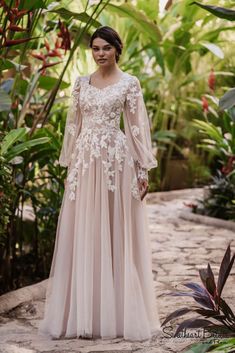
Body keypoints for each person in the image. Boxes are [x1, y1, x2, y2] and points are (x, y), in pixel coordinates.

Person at [38, 25, 160, 342]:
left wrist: (143, 169)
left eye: (106, 48)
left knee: (116, 231)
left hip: (116, 165)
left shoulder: (130, 84)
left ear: (117, 49)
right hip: (85, 163)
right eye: (95, 48)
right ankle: (83, 311)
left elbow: (136, 129)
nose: (100, 53)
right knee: (86, 230)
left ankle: (118, 313)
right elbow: (73, 128)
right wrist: (70, 168)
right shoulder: (81, 84)